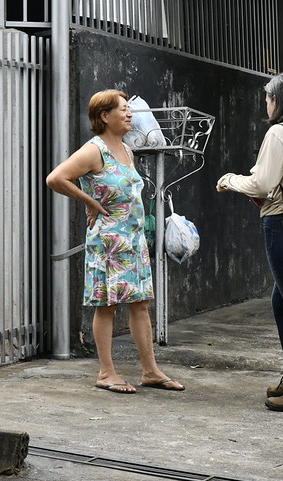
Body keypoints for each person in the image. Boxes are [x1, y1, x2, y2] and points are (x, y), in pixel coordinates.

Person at [46, 89, 185, 394]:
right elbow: (56, 178)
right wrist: (90, 202)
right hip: (108, 242)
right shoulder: (94, 151)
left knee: (140, 304)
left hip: (133, 241)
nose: (129, 114)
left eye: (128, 109)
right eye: (122, 109)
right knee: (106, 306)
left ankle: (150, 371)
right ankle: (106, 372)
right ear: (104, 116)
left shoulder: (127, 149)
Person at [216, 72, 283, 414]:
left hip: (282, 225)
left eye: (267, 98)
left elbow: (261, 185)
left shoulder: (279, 132)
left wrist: (230, 180)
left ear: (279, 100)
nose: (266, 104)